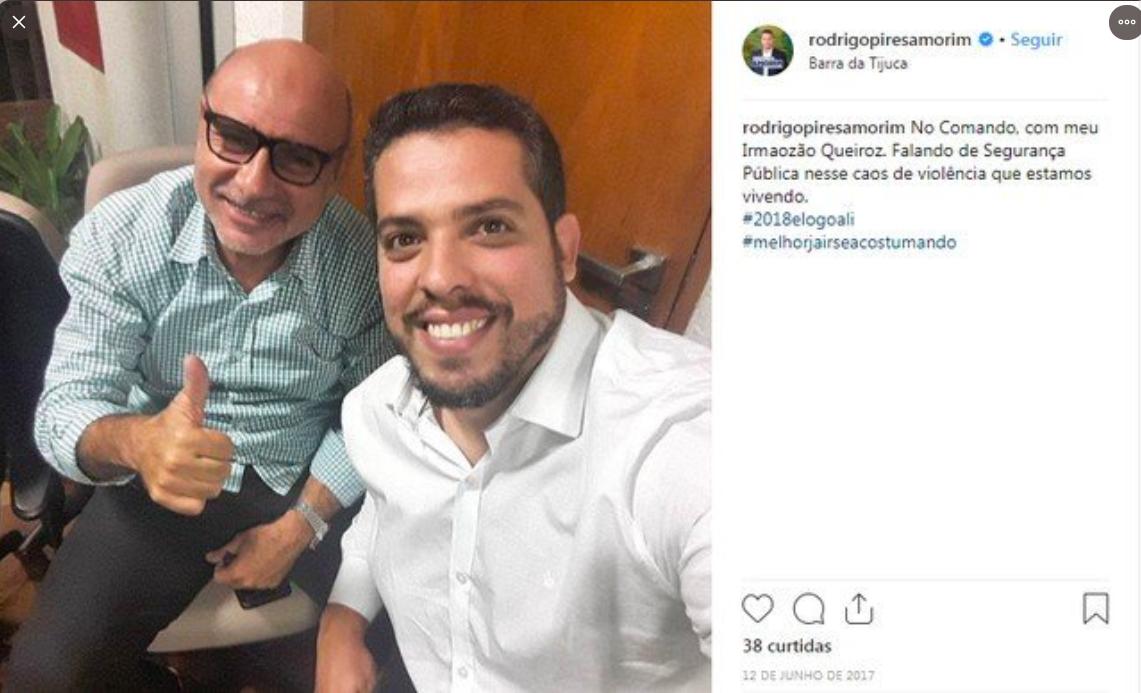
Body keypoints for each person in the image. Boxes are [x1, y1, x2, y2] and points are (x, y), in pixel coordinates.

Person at [8, 39, 393, 691]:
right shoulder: (123, 233)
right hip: (159, 476)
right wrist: (139, 442)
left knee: (415, 648)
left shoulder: (362, 262)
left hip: (310, 474)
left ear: (335, 170)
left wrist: (302, 522)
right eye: (234, 138)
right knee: (45, 678)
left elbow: (375, 411)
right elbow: (67, 404)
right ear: (201, 124)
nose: (253, 183)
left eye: (297, 158)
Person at [316, 83, 711, 692]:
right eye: (405, 239)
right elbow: (386, 506)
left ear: (565, 250)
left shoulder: (676, 441)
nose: (440, 278)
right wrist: (341, 621)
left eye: (489, 227)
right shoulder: (376, 411)